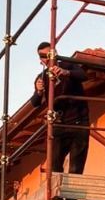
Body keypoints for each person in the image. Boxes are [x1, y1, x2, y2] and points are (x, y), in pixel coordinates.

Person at [32, 43, 91, 174]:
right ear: (40, 59)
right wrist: (39, 91)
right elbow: (35, 102)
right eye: (42, 56)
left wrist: (66, 73)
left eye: (48, 55)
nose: (46, 58)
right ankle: (56, 194)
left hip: (79, 120)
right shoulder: (41, 77)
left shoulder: (67, 64)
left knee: (76, 167)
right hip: (59, 123)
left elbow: (83, 75)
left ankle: (72, 194)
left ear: (55, 54)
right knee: (55, 166)